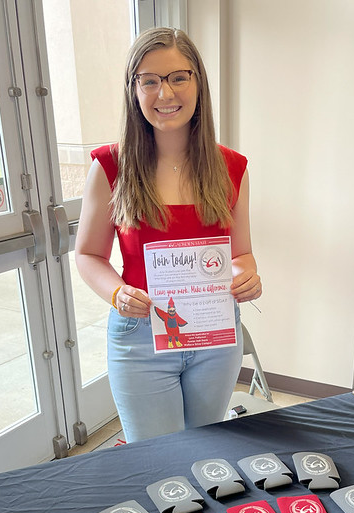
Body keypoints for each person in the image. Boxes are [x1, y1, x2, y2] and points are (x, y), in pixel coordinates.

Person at [75, 27, 261, 442]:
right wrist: (116, 293)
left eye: (179, 77)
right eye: (150, 81)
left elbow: (242, 253)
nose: (165, 94)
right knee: (157, 462)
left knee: (208, 455)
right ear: (133, 89)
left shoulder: (231, 167)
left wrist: (247, 274)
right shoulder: (111, 166)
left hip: (214, 336)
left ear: (198, 82)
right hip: (140, 338)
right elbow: (88, 255)